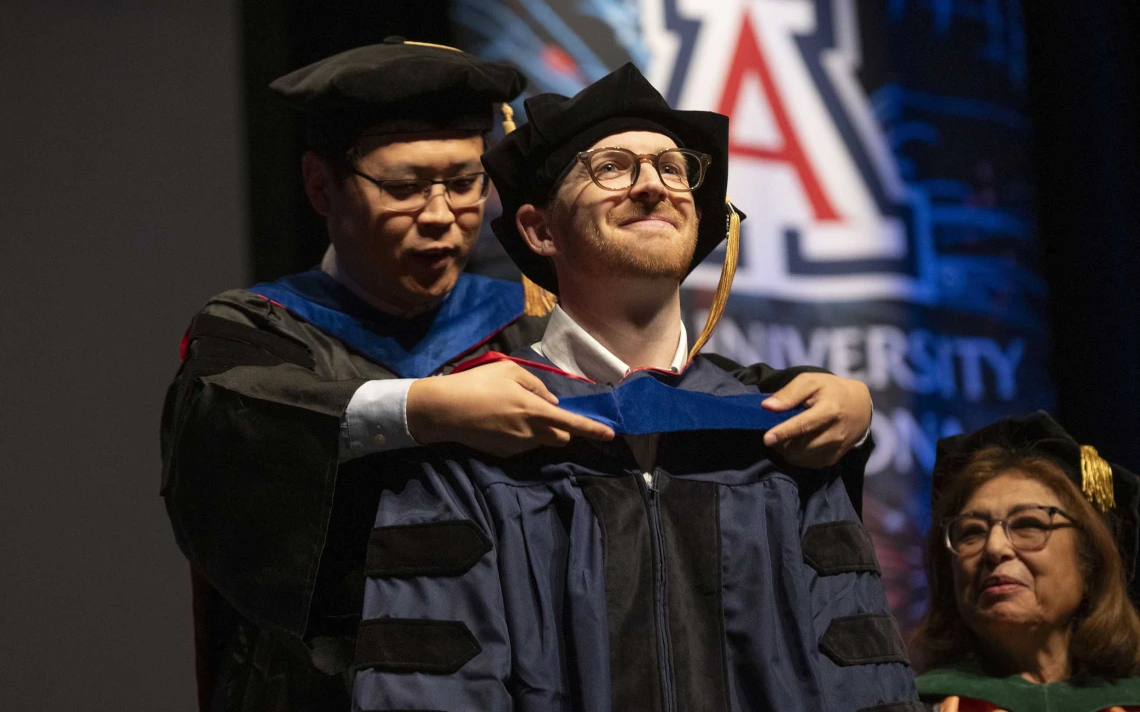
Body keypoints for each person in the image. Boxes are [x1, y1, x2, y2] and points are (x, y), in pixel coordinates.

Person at [161, 42, 876, 711]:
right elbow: (227, 457)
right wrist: (421, 408)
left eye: (466, 182)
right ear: (321, 187)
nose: (442, 216)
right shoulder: (256, 334)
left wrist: (849, 404)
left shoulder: (527, 334)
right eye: (407, 185)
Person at [351, 63, 918, 712]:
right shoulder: (472, 427)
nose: (653, 184)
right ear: (539, 229)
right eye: (612, 166)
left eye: (673, 169)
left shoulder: (777, 429)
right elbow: (428, 688)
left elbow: (862, 679)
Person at [911, 411, 1140, 712]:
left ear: (1091, 560)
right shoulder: (913, 703)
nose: (994, 548)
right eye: (971, 532)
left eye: (1028, 524)